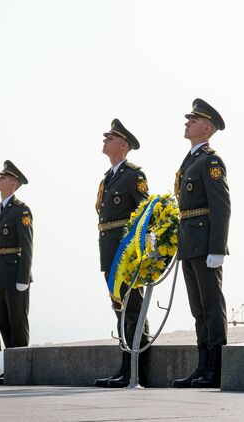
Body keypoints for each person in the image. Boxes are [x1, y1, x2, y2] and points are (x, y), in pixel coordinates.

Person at [172, 99, 231, 388]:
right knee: (198, 309)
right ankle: (201, 366)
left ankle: (215, 369)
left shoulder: (210, 161)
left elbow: (221, 207)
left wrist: (217, 248)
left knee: (210, 306)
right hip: (189, 244)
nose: (187, 123)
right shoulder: (190, 160)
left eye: (192, 120)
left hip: (206, 244)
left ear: (206, 127)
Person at [94, 119, 151, 388]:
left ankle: (136, 370)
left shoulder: (133, 175)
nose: (105, 140)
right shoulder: (108, 178)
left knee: (133, 309)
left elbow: (144, 213)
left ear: (124, 145)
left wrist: (142, 251)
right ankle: (124, 368)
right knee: (119, 310)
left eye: (111, 137)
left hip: (126, 254)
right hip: (109, 252)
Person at [0, 160, 33, 380]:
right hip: (1, 276)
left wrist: (23, 277)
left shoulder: (21, 210)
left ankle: (21, 370)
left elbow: (27, 246)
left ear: (13, 183)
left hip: (16, 276)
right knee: (3, 322)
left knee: (18, 323)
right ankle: (11, 369)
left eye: (3, 177)